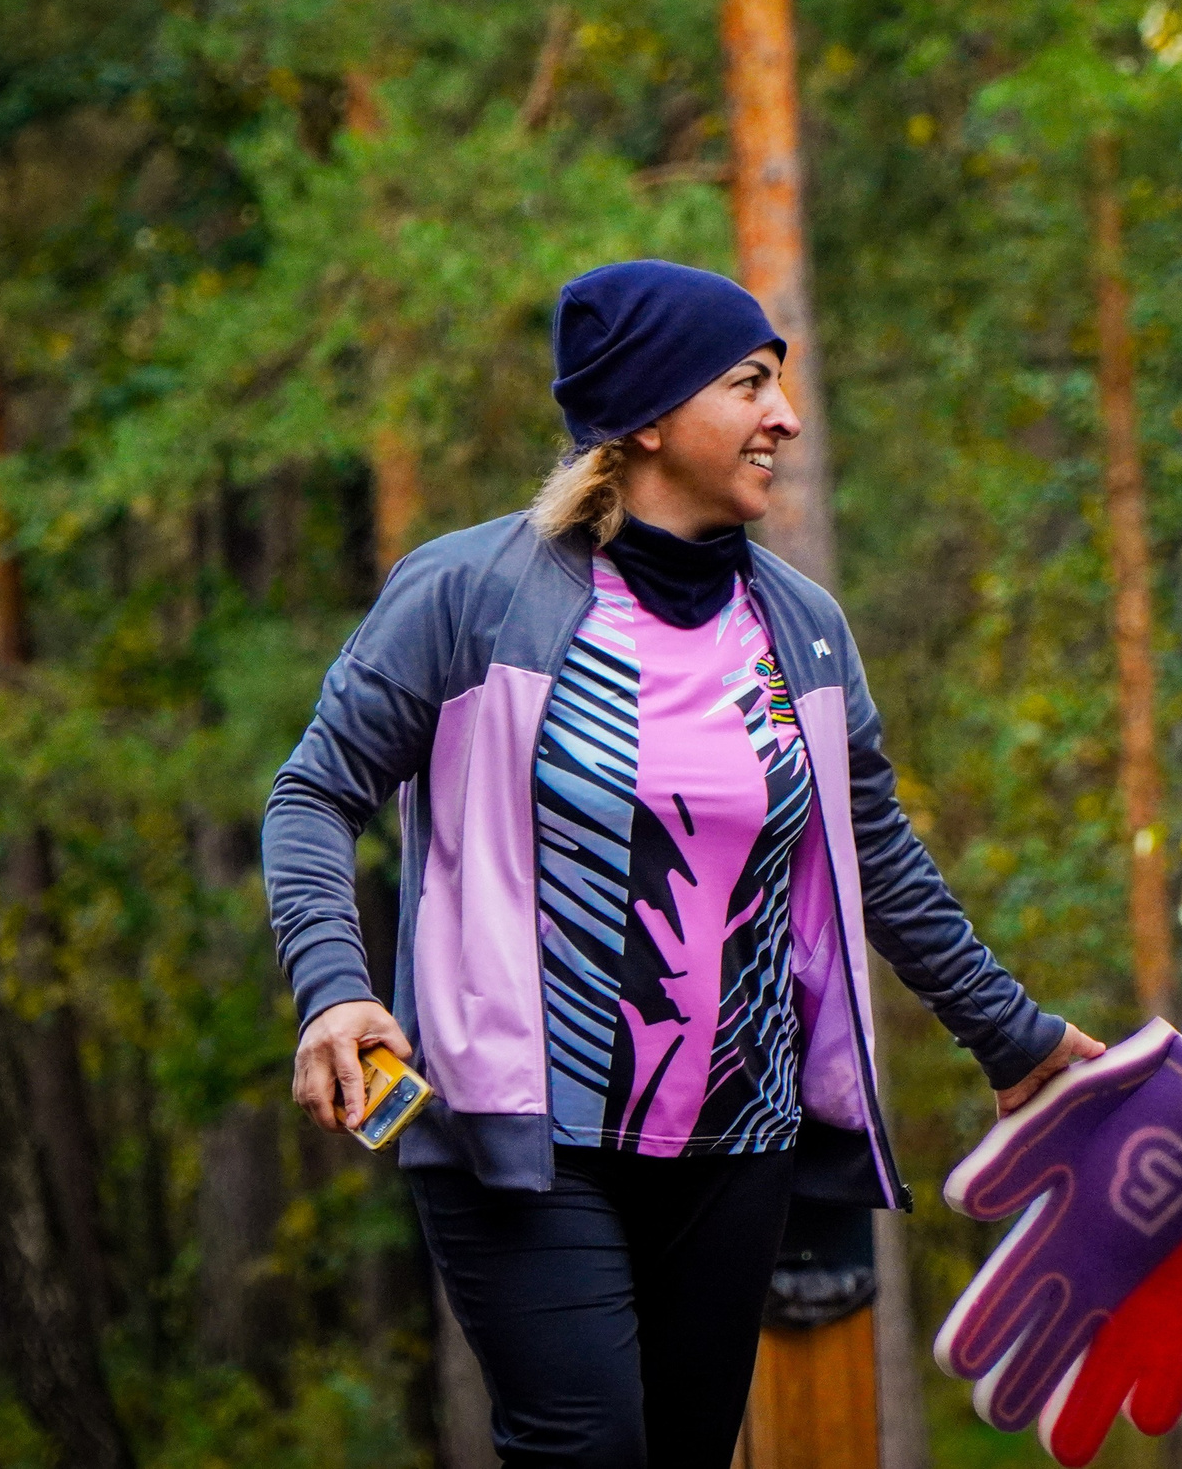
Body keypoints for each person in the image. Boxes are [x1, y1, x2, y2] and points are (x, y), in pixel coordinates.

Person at [264, 259, 1101, 1469]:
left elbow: (871, 850)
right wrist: (335, 985)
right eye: (749, 385)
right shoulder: (466, 595)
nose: (786, 418)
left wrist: (1009, 1034)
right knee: (589, 1447)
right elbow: (312, 792)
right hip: (522, 1134)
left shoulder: (800, 626)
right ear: (646, 418)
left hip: (735, 1143)